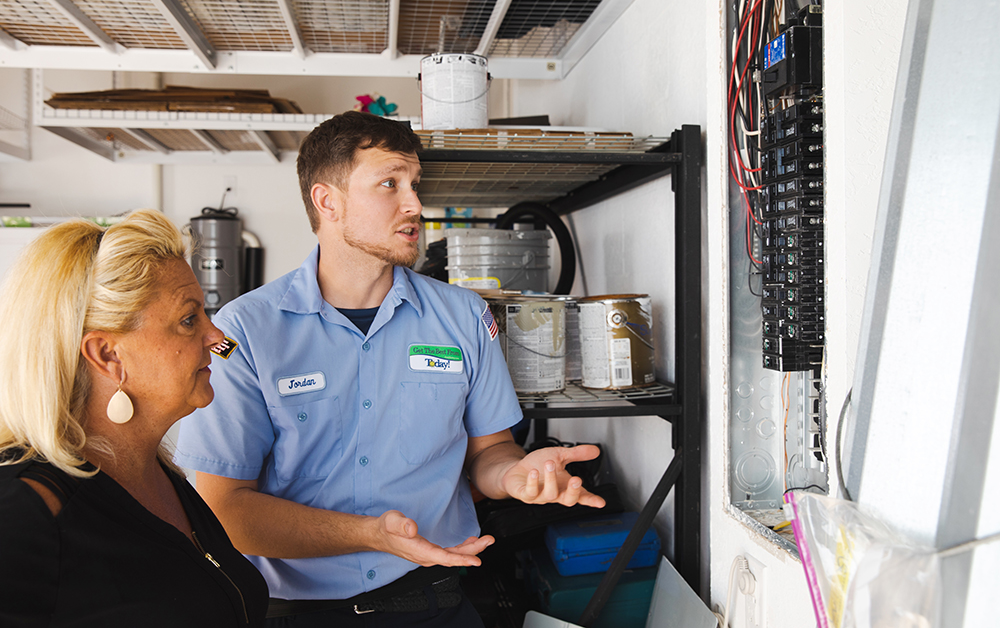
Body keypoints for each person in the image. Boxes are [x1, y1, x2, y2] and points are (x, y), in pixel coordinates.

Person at [175, 111, 606, 627]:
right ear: (327, 201)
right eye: (389, 184)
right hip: (293, 613)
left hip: (435, 602)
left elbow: (490, 451)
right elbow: (224, 509)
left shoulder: (464, 317)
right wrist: (370, 534)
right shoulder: (242, 332)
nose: (415, 205)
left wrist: (516, 475)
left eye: (415, 185)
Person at [0, 210, 269, 628]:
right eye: (188, 319)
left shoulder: (161, 477)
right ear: (108, 356)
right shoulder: (26, 511)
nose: (217, 338)